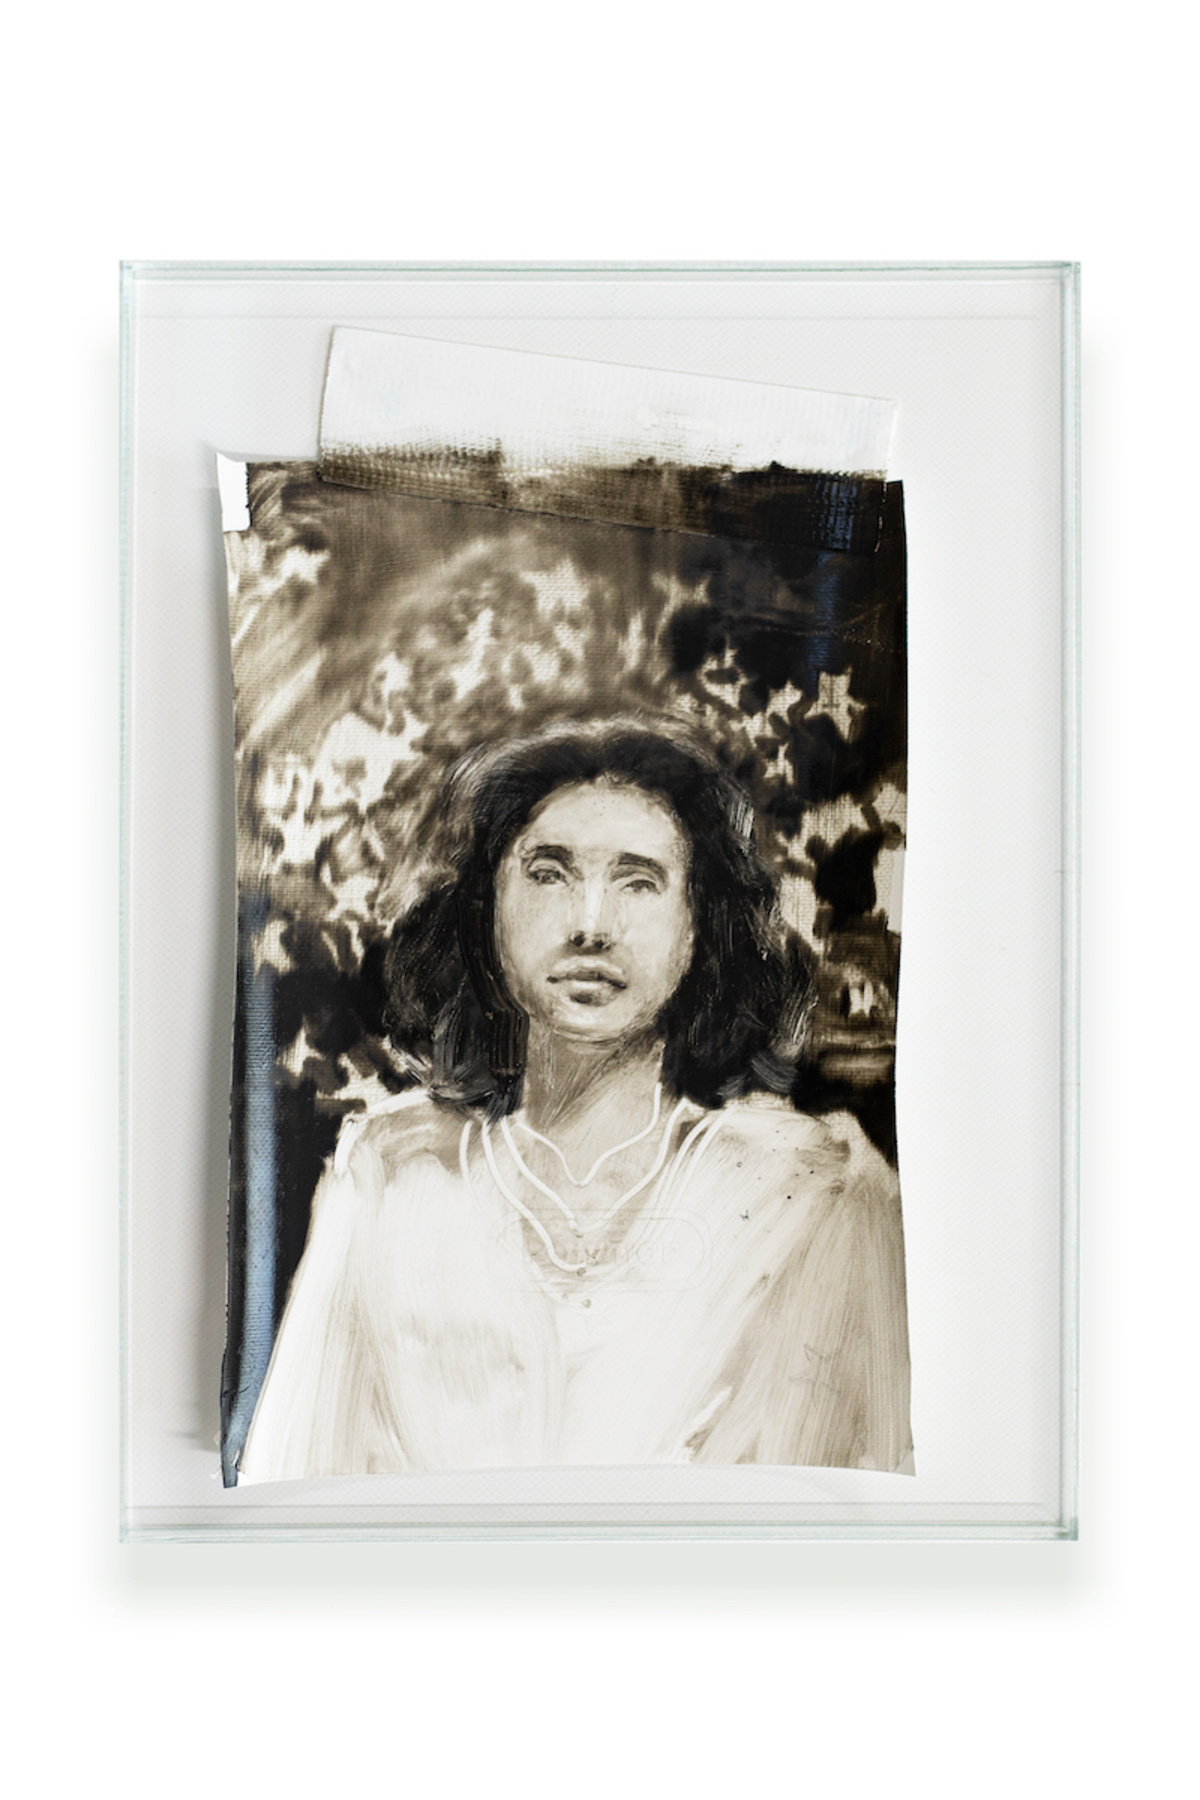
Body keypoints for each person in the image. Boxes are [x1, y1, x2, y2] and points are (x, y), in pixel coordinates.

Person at [239, 719, 912, 1480]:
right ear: (487, 907)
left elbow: (865, 1484)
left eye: (639, 882)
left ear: (701, 923)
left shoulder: (818, 1191)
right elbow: (296, 1471)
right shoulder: (387, 1173)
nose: (591, 926)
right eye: (549, 874)